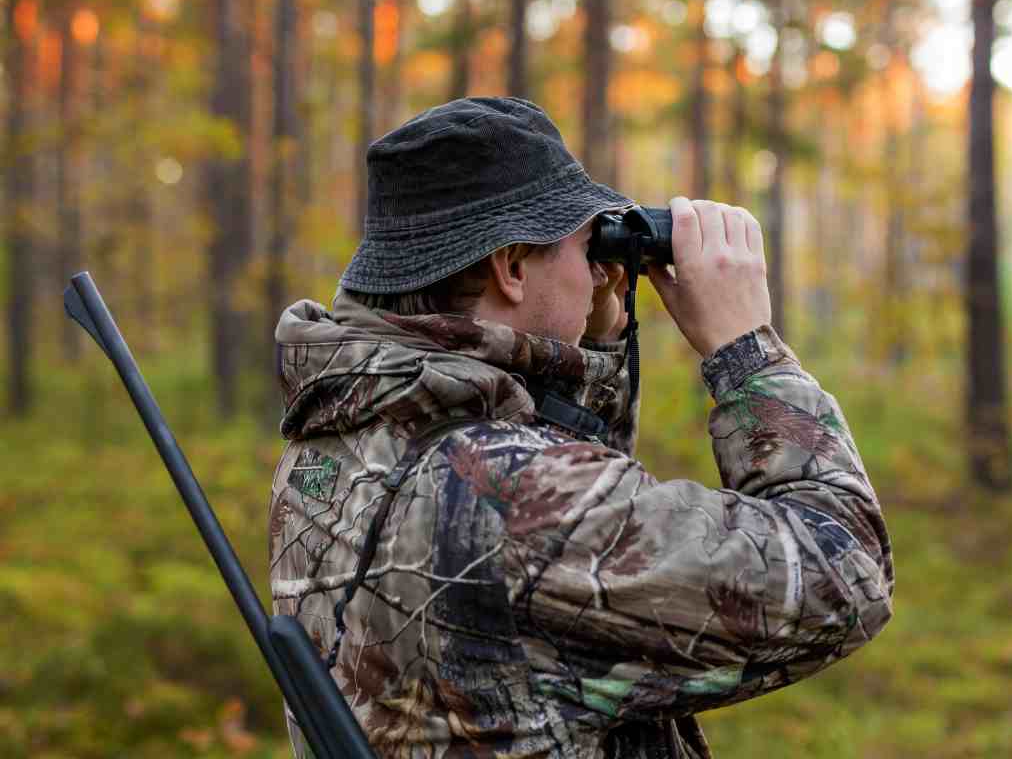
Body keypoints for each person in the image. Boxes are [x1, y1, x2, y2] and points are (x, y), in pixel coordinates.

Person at [268, 96, 893, 758]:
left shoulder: (337, 438)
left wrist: (588, 344)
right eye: (583, 243)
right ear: (510, 267)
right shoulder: (509, 494)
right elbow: (843, 574)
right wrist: (745, 351)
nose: (601, 268)